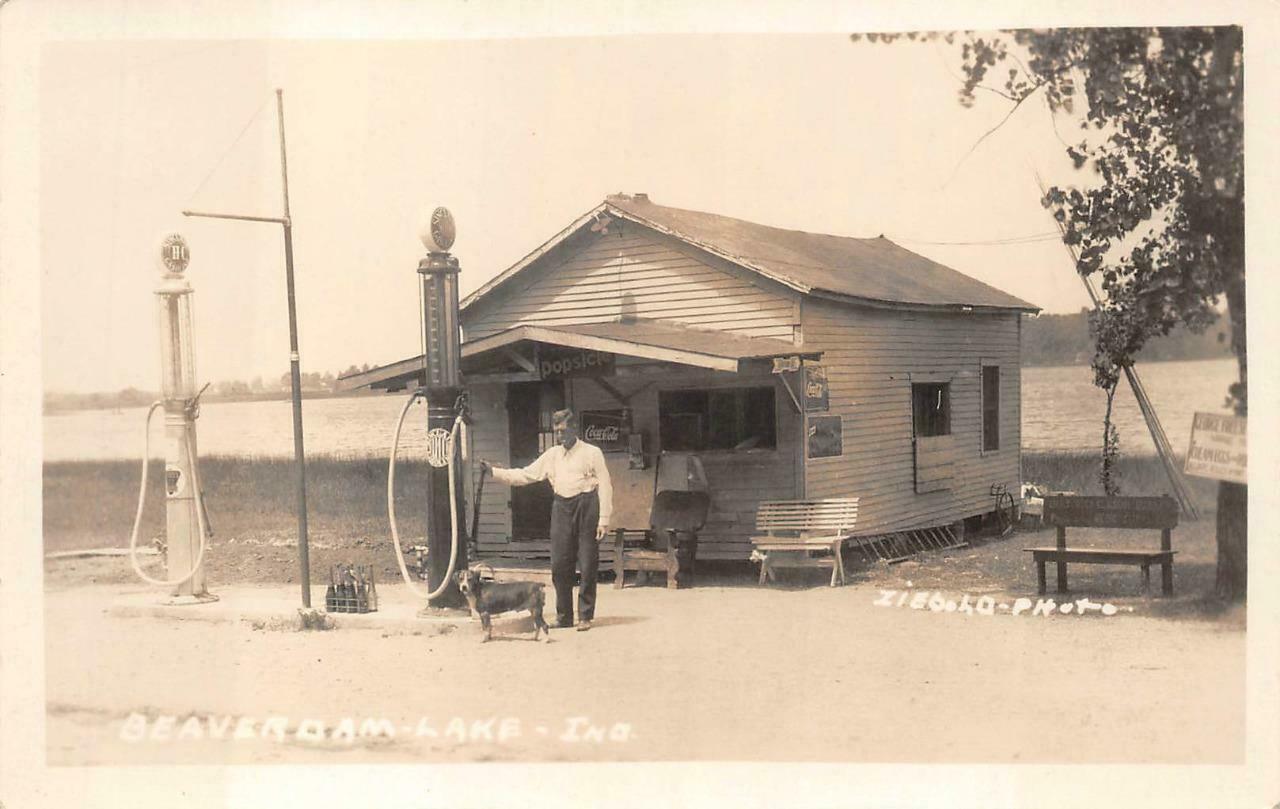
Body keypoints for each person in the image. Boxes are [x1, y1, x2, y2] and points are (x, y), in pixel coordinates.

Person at [481, 409, 613, 632]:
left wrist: (604, 519)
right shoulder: (552, 455)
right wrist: (494, 472)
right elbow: (525, 475)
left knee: (588, 563)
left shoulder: (592, 453)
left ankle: (585, 616)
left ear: (574, 429)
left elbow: (606, 485)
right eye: (556, 431)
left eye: (562, 431)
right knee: (560, 565)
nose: (559, 435)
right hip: (561, 507)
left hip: (587, 506)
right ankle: (564, 616)